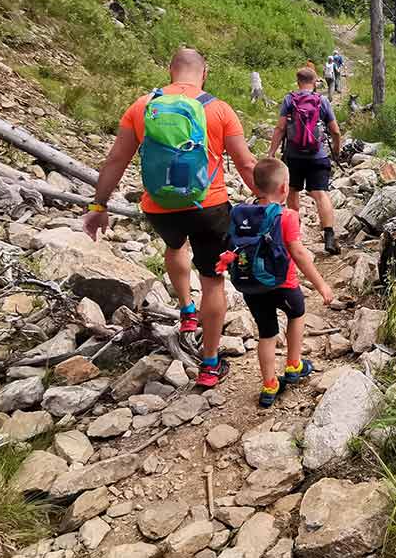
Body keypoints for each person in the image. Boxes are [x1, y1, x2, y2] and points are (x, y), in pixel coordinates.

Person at [82, 48, 258, 389]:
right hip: (209, 207)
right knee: (212, 280)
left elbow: (115, 160)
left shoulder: (142, 106)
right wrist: (267, 203)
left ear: (170, 70)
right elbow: (247, 164)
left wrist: (98, 207)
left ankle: (186, 310)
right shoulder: (219, 109)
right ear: (204, 72)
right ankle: (209, 364)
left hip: (160, 207)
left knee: (175, 245)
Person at [231, 158, 334, 407]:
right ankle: (293, 365)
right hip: (283, 284)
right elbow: (298, 254)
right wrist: (321, 285)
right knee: (296, 314)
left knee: (266, 334)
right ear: (284, 189)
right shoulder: (287, 216)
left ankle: (269, 385)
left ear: (255, 186)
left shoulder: (241, 213)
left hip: (252, 287)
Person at [268, 67, 343, 255]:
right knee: (320, 193)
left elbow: (280, 128)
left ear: (298, 81)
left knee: (292, 191)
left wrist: (271, 153)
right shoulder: (322, 100)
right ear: (315, 81)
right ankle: (329, 236)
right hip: (318, 155)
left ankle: (295, 235)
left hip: (293, 156)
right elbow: (335, 130)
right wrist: (336, 148)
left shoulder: (289, 100)